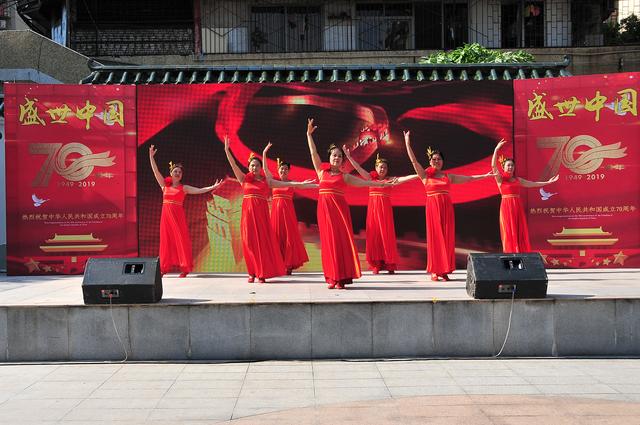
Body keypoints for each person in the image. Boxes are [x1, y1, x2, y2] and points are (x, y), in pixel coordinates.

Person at [306, 118, 398, 289]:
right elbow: (313, 153)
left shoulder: (345, 176)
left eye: (340, 156)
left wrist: (382, 184)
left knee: (340, 243)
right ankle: (332, 277)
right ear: (330, 157)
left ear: (342, 160)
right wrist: (309, 135)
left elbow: (367, 183)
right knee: (328, 243)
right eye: (334, 155)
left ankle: (341, 277)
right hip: (324, 211)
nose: (337, 158)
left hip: (339, 212)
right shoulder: (321, 172)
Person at [404, 131, 494, 282]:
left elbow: (469, 179)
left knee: (446, 239)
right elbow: (414, 162)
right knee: (435, 239)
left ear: (442, 162)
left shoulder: (448, 176)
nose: (437, 161)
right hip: (433, 208)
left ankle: (444, 270)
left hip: (447, 208)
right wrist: (407, 143)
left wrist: (484, 176)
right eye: (434, 159)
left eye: (439, 159)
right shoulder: (425, 176)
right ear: (430, 161)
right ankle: (435, 270)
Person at [224, 135, 315, 283]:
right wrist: (227, 150)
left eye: (257, 166)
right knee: (249, 243)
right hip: (247, 216)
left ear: (261, 168)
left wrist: (311, 185)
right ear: (249, 167)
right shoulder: (243, 179)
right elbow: (233, 164)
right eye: (252, 166)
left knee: (262, 244)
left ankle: (261, 273)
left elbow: (295, 185)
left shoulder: (268, 182)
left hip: (262, 216)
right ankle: (252, 272)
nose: (254, 168)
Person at [149, 145, 223, 277]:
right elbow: (156, 172)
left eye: (179, 172)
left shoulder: (184, 188)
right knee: (166, 241)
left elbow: (200, 190)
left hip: (178, 217)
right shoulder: (164, 186)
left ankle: (185, 268)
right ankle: (163, 268)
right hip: (165, 217)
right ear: (171, 173)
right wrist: (151, 157)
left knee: (181, 240)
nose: (177, 173)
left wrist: (213, 186)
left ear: (181, 175)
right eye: (175, 171)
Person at [344, 150, 419, 274]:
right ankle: (376, 264)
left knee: (386, 236)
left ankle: (389, 264)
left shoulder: (390, 181)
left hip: (385, 213)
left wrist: (418, 174)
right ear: (376, 168)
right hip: (373, 212)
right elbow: (358, 168)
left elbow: (405, 179)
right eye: (380, 167)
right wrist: (348, 157)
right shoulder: (370, 179)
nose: (382, 169)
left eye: (384, 167)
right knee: (375, 236)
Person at [492, 139, 559, 253]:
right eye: (508, 165)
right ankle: (510, 253)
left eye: (512, 165)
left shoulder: (518, 180)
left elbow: (533, 184)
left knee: (519, 230)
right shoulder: (500, 179)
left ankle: (520, 253)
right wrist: (496, 150)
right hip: (506, 207)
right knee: (509, 231)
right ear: (503, 167)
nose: (510, 167)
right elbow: (493, 166)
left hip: (517, 206)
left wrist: (548, 183)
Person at [262, 143, 318, 275]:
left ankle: (288, 265)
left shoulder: (293, 183)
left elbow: (305, 187)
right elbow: (265, 170)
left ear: (288, 171)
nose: (283, 171)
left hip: (288, 213)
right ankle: (278, 262)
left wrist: (319, 185)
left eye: (286, 169)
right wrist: (264, 153)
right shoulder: (274, 181)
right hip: (276, 213)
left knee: (289, 237)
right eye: (281, 169)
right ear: (278, 170)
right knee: (276, 236)